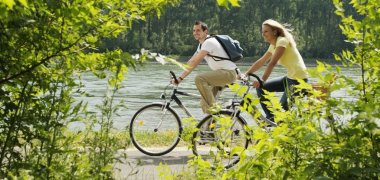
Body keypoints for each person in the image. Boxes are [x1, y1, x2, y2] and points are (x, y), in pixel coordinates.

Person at [244, 19, 308, 121]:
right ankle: (271, 118)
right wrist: (246, 74)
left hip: (299, 80)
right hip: (290, 78)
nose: (263, 34)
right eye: (262, 31)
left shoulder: (282, 41)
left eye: (266, 31)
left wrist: (262, 80)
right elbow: (261, 61)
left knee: (282, 110)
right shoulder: (273, 44)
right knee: (261, 88)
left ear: (274, 32)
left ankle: (283, 129)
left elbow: (272, 63)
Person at [172, 21, 238, 114]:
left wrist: (180, 78)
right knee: (204, 102)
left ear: (205, 31)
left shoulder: (209, 42)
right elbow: (190, 62)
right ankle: (211, 126)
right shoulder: (201, 45)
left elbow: (195, 63)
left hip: (228, 73)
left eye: (198, 30)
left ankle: (216, 113)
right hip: (221, 74)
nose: (195, 33)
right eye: (194, 30)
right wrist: (178, 76)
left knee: (199, 79)